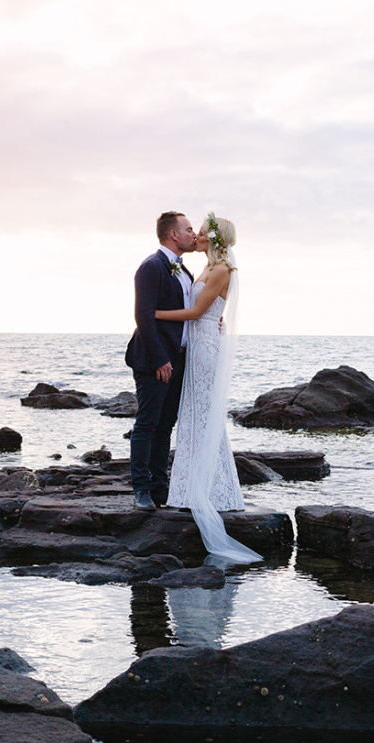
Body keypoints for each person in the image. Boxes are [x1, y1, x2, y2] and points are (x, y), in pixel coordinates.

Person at [155, 213, 263, 563]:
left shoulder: (220, 271)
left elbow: (197, 311)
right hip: (198, 344)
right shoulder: (203, 269)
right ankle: (190, 487)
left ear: (215, 241)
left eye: (202, 233)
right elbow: (204, 310)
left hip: (204, 350)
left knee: (204, 414)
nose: (196, 237)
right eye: (195, 232)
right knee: (194, 414)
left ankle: (213, 491)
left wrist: (154, 314)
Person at [125, 211, 197, 510]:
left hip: (178, 360)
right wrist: (160, 360)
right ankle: (141, 489)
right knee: (147, 424)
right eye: (189, 229)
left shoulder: (184, 271)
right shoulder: (151, 267)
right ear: (173, 235)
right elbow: (143, 315)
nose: (194, 234)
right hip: (154, 360)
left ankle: (159, 486)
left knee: (166, 425)